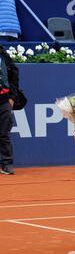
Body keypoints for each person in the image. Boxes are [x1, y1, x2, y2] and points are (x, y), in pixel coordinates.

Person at [0, 44, 18, 175]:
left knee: (4, 133)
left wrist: (12, 97)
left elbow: (14, 75)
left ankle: (6, 163)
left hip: (4, 100)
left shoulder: (4, 56)